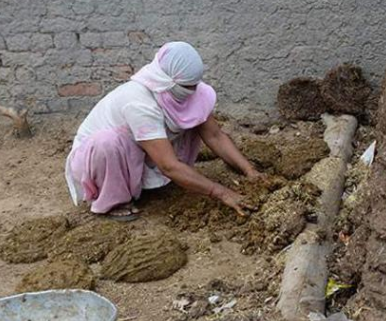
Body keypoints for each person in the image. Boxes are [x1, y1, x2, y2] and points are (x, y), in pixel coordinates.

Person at [65, 41, 260, 221]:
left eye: (195, 85)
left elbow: (215, 135)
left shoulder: (184, 90)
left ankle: (140, 182)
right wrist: (222, 193)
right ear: (168, 80)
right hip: (98, 161)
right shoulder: (139, 103)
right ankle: (113, 200)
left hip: (140, 152)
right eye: (188, 86)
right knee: (108, 143)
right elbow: (168, 166)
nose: (193, 90)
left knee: (191, 117)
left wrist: (250, 171)